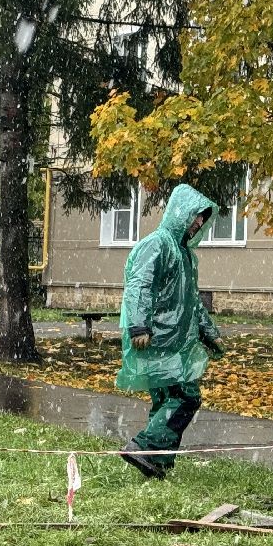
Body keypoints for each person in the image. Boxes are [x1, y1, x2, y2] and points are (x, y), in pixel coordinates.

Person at [115, 182, 226, 479]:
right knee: (186, 397)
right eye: (196, 216)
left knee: (166, 400)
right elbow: (140, 285)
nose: (200, 222)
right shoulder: (158, 244)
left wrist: (208, 332)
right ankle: (144, 446)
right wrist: (139, 324)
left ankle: (158, 461)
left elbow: (192, 302)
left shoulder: (186, 256)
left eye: (203, 217)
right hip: (159, 341)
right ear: (182, 213)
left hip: (176, 343)